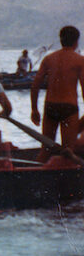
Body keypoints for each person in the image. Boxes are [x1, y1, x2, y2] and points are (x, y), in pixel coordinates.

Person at [31, 25, 84, 161]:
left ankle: (33, 176)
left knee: (46, 150)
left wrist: (34, 109)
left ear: (61, 40)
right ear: (76, 41)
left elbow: (35, 84)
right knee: (68, 151)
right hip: (69, 107)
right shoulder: (80, 60)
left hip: (50, 106)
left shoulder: (49, 59)